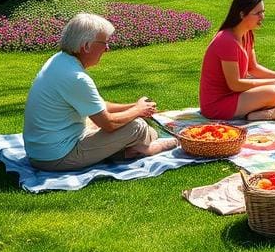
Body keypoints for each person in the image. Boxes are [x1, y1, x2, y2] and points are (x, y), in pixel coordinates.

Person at [23, 13, 178, 172]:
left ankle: (130, 150)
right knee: (137, 127)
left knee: (99, 122)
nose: (107, 48)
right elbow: (108, 124)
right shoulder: (76, 78)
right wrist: (137, 111)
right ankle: (147, 148)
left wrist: (135, 106)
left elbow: (99, 106)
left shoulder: (59, 61)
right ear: (86, 46)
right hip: (57, 158)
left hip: (42, 151)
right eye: (103, 43)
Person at [199, 0, 275, 121]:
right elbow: (235, 84)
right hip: (217, 106)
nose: (262, 17)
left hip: (236, 96)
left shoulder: (247, 34)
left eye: (263, 12)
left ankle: (255, 114)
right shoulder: (226, 41)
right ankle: (269, 113)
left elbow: (253, 68)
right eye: (258, 13)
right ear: (242, 14)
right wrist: (272, 82)